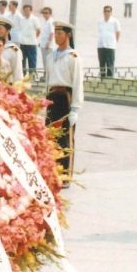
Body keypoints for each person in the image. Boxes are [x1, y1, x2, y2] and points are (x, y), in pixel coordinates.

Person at [45, 20, 84, 188]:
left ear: (68, 35)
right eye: (55, 33)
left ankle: (65, 175)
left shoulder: (73, 57)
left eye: (60, 33)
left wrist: (75, 108)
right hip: (52, 97)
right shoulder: (50, 55)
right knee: (49, 136)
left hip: (65, 98)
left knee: (65, 138)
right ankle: (51, 172)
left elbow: (77, 83)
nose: (57, 37)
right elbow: (47, 80)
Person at [0, 17, 24, 82]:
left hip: (8, 86)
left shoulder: (14, 50)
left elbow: (18, 72)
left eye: (0, 28)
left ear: (8, 31)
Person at [96, 5, 121, 78]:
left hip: (110, 46)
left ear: (111, 12)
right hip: (101, 45)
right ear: (103, 12)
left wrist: (115, 41)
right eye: (105, 11)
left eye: (108, 11)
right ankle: (102, 78)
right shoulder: (100, 21)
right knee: (102, 63)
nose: (107, 13)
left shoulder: (115, 21)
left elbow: (118, 32)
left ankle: (110, 79)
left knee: (110, 63)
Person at [16, 4, 41, 73]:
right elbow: (20, 30)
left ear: (31, 11)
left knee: (32, 61)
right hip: (23, 43)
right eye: (25, 11)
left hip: (32, 44)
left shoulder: (34, 19)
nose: (26, 12)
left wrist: (34, 38)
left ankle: (32, 77)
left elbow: (38, 30)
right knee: (22, 61)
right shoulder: (22, 20)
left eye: (28, 10)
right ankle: (23, 76)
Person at [39, 7, 56, 74]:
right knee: (44, 61)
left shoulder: (51, 22)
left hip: (48, 46)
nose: (45, 14)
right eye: (44, 13)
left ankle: (49, 75)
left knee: (48, 61)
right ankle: (46, 75)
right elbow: (44, 34)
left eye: (46, 13)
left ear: (50, 14)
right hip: (43, 44)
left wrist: (48, 43)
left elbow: (52, 33)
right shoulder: (46, 22)